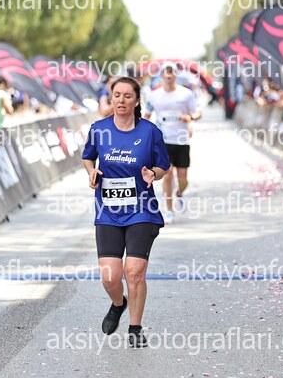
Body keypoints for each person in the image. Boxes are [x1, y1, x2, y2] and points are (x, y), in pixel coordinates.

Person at [82, 77, 170, 348]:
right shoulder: (99, 130)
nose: (121, 100)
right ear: (111, 98)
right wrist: (91, 172)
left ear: (137, 100)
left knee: (134, 272)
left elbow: (163, 166)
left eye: (127, 96)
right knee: (110, 276)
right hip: (108, 211)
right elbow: (88, 157)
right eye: (116, 95)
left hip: (142, 209)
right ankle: (118, 303)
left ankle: (135, 327)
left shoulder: (150, 132)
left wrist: (152, 174)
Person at [144, 62, 201, 225]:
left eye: (172, 72)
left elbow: (197, 112)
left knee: (183, 180)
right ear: (161, 75)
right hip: (163, 140)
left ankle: (180, 193)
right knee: (167, 174)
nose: (169, 75)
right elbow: (146, 115)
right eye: (166, 72)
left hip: (181, 140)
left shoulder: (186, 94)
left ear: (176, 74)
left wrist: (190, 118)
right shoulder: (153, 95)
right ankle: (169, 211)